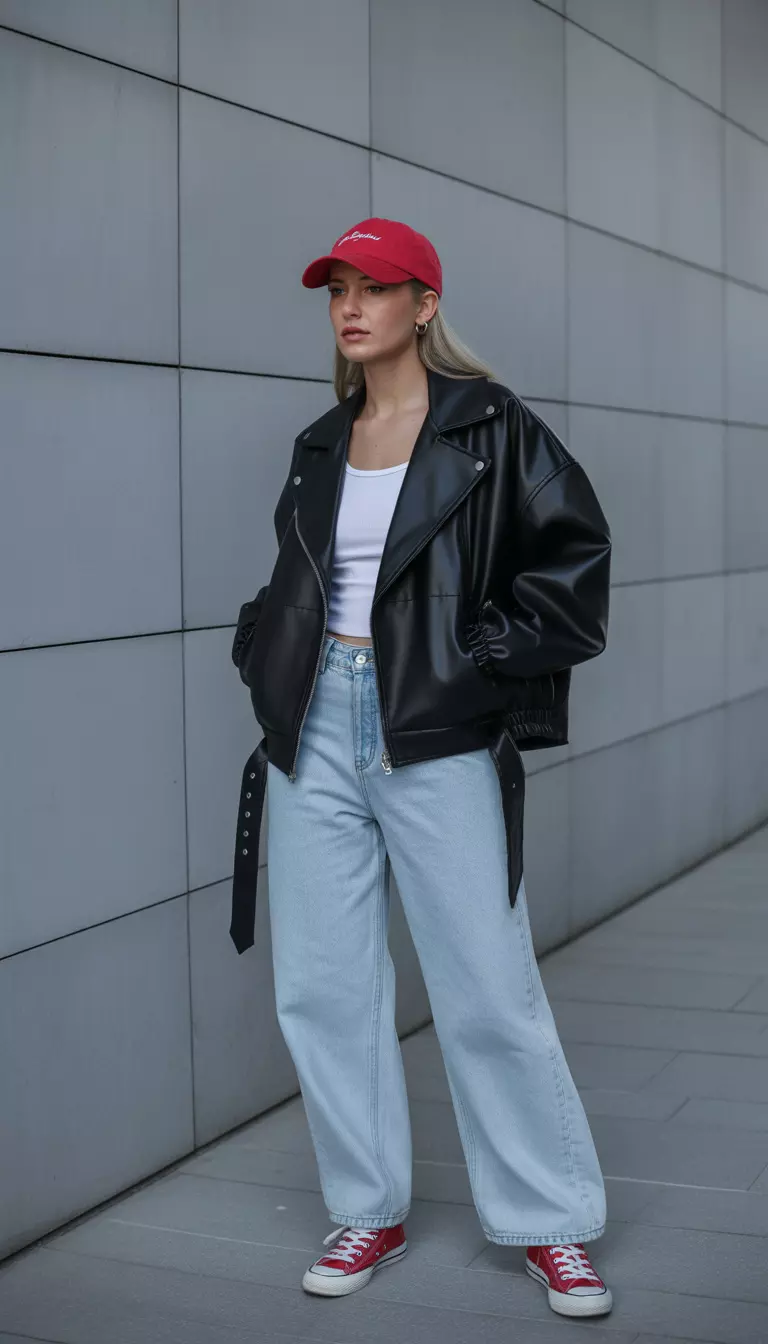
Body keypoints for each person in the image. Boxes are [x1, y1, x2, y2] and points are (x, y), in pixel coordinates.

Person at [230, 217, 613, 1318]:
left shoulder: (493, 430)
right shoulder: (320, 441)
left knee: (488, 987)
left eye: (375, 288)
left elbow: (576, 561)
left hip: (434, 730)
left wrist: (484, 654)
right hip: (312, 731)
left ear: (425, 305)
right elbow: (300, 580)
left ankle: (552, 1224)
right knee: (324, 989)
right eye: (337, 290)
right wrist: (264, 649)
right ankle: (369, 1209)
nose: (351, 308)